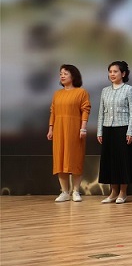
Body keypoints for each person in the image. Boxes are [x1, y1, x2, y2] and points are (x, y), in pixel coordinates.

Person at [48, 64, 91, 202]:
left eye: (65, 73)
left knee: (75, 158)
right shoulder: (57, 94)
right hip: (59, 129)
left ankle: (76, 191)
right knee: (60, 159)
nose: (62, 76)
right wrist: (51, 128)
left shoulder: (81, 92)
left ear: (73, 76)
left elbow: (85, 110)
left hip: (75, 129)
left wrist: (83, 128)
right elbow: (53, 112)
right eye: (61, 73)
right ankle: (64, 192)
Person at [97, 61, 132, 203]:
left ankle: (123, 192)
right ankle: (113, 192)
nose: (112, 74)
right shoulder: (105, 91)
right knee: (110, 161)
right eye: (110, 72)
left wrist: (131, 131)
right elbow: (101, 113)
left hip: (123, 128)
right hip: (108, 128)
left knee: (123, 161)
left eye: (115, 71)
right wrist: (100, 131)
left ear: (123, 73)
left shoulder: (129, 90)